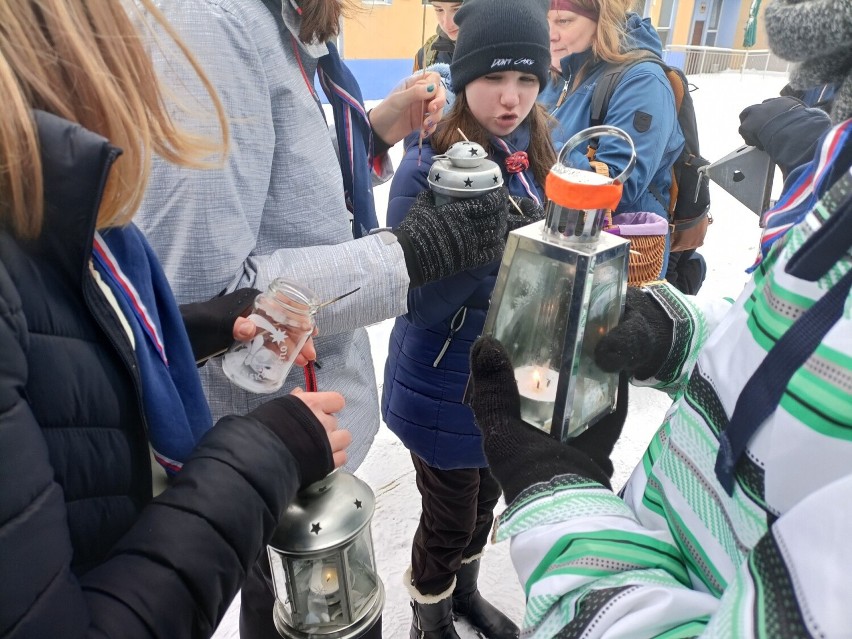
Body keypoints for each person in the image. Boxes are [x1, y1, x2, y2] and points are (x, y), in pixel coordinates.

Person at [463, 0, 852, 633]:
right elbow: (794, 335)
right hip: (669, 528)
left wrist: (560, 497)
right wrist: (679, 333)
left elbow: (622, 168)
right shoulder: (839, 216)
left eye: (563, 17)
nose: (551, 32)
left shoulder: (633, 77)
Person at [133, 1, 512, 637]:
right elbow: (200, 296)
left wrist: (373, 129)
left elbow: (287, 181)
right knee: (287, 611)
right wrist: (412, 254)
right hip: (264, 449)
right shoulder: (212, 23)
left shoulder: (290, 20)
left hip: (312, 438)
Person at [0, 2, 352, 637]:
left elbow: (66, 357)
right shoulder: (217, 19)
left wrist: (206, 325)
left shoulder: (43, 221)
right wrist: (262, 454)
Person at [383, 1, 553, 636]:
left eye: (527, 81)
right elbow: (417, 301)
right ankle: (429, 613)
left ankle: (464, 594)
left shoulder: (528, 154)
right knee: (449, 514)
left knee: (484, 501)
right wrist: (477, 245)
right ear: (464, 76)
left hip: (501, 380)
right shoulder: (431, 165)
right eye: (493, 79)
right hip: (440, 382)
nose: (511, 98)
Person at [539, 0, 688, 286]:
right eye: (545, 20)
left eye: (564, 21)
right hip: (565, 241)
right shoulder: (559, 73)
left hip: (619, 258)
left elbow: (622, 183)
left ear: (601, 20)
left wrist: (536, 145)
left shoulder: (642, 79)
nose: (550, 34)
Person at [413, 0, 463, 72]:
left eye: (457, 9)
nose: (447, 24)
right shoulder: (425, 56)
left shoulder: (485, 53)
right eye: (439, 10)